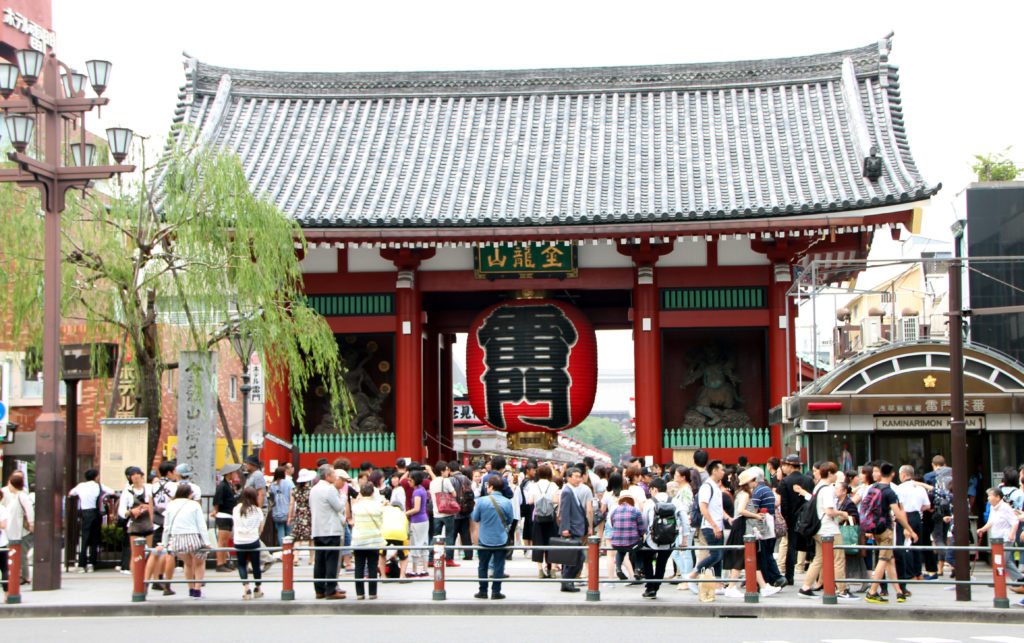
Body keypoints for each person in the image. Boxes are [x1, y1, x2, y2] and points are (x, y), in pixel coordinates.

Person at [797, 461, 856, 600]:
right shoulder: (828, 489)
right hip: (829, 529)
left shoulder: (818, 486)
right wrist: (842, 514)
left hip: (818, 528)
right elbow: (829, 511)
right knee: (839, 559)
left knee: (818, 559)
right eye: (835, 473)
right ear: (830, 473)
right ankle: (842, 590)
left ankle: (805, 587)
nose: (836, 476)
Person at [864, 461, 918, 604]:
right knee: (883, 560)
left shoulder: (873, 487)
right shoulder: (889, 491)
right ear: (893, 474)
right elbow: (898, 514)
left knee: (889, 559)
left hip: (874, 528)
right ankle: (872, 591)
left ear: (880, 473)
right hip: (886, 529)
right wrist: (910, 529)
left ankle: (899, 592)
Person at [161, 484, 212, 598]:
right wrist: (207, 542)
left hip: (176, 539)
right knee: (199, 563)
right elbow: (201, 525)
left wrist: (164, 542)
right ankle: (197, 590)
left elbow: (167, 526)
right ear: (189, 494)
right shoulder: (194, 504)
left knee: (187, 564)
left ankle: (190, 588)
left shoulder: (170, 505)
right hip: (193, 537)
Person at [471, 474, 514, 599]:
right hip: (501, 538)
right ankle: (496, 592)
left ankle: (483, 591)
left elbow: (475, 518)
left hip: (484, 538)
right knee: (499, 566)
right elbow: (510, 519)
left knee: (483, 566)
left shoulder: (481, 501)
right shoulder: (507, 502)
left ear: (490, 487)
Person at [309, 464, 347, 599]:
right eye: (333, 474)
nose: (336, 477)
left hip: (318, 529)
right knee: (331, 560)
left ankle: (319, 589)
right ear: (327, 476)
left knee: (319, 560)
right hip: (331, 529)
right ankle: (330, 590)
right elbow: (339, 507)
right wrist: (343, 496)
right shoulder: (329, 489)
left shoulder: (313, 489)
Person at [687, 460, 726, 587]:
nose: (723, 472)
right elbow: (703, 507)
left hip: (718, 525)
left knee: (719, 556)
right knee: (715, 555)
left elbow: (717, 507)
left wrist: (728, 518)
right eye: (721, 469)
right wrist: (714, 526)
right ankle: (695, 572)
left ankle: (718, 583)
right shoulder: (707, 486)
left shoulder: (715, 486)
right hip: (710, 526)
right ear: (714, 471)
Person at [977, 487, 1022, 593]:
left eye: (990, 496)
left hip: (1006, 538)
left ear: (997, 497)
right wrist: (983, 529)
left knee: (1002, 561)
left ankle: (1003, 581)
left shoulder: (1005, 507)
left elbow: (1015, 521)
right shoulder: (993, 507)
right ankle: (1020, 579)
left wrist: (1012, 534)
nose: (988, 498)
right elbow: (991, 522)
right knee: (1006, 561)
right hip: (997, 539)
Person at [639, 477, 677, 599]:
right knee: (662, 563)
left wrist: (644, 534)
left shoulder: (650, 503)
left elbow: (644, 522)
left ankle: (651, 587)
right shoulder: (674, 501)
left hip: (652, 540)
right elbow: (684, 519)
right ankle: (656, 587)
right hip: (670, 540)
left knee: (647, 559)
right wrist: (684, 538)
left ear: (654, 489)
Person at [778, 453, 812, 585]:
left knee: (791, 548)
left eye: (784, 465)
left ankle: (789, 576)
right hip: (807, 519)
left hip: (791, 519)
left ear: (790, 466)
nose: (783, 468)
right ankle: (816, 576)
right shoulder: (808, 480)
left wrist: (785, 519)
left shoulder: (785, 481)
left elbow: (784, 505)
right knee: (810, 547)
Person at [895, 464, 930, 591]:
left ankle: (910, 574)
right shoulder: (920, 488)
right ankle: (918, 572)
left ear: (903, 475)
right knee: (917, 545)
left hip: (905, 516)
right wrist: (918, 508)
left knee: (906, 546)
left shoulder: (899, 488)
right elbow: (927, 505)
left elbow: (899, 507)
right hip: (917, 516)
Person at [67, 469, 109, 574]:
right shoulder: (99, 486)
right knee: (94, 539)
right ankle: (91, 564)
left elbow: (70, 493)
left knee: (85, 539)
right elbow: (112, 492)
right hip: (96, 514)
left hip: (85, 514)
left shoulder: (81, 486)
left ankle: (82, 564)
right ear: (96, 477)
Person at [351, 482, 386, 599]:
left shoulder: (356, 506)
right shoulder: (378, 506)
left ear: (361, 492)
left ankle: (359, 593)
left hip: (359, 539)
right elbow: (381, 522)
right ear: (372, 492)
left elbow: (354, 520)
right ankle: (372, 593)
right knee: (372, 566)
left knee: (359, 566)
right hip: (374, 539)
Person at [558, 467, 590, 593]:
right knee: (577, 558)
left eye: (579, 476)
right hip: (572, 530)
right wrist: (565, 528)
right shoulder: (567, 491)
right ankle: (567, 581)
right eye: (575, 476)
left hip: (575, 528)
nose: (578, 479)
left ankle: (567, 582)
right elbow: (564, 511)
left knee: (572, 558)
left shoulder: (571, 490)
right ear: (569, 477)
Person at [118, 466, 154, 574]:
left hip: (148, 523)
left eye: (138, 475)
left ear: (142, 476)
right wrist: (131, 512)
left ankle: (147, 574)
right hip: (135, 524)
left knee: (150, 551)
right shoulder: (127, 492)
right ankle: (136, 576)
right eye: (133, 475)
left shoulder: (149, 488)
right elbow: (122, 510)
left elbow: (154, 505)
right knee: (136, 553)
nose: (136, 477)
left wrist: (148, 508)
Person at [232, 486, 266, 599]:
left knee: (242, 565)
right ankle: (258, 588)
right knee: (256, 565)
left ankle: (246, 589)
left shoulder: (236, 509)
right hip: (253, 540)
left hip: (239, 541)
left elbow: (235, 524)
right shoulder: (258, 510)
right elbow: (261, 528)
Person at [527, 463, 560, 579]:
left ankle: (540, 570)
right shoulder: (554, 485)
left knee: (538, 543)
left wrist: (539, 499)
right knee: (552, 543)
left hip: (538, 519)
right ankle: (552, 570)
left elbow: (530, 501)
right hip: (550, 519)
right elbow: (556, 500)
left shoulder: (533, 486)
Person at [607, 494, 644, 581]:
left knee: (620, 550)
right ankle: (637, 569)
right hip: (632, 543)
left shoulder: (615, 511)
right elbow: (641, 528)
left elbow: (612, 524)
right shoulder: (636, 511)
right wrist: (641, 535)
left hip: (616, 541)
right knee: (640, 550)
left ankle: (618, 568)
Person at [212, 463, 242, 571]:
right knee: (222, 541)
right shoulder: (222, 486)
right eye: (234, 472)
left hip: (229, 515)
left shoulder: (228, 485)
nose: (235, 474)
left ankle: (224, 562)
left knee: (225, 541)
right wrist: (216, 511)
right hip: (223, 515)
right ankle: (220, 563)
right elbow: (217, 501)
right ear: (229, 473)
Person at [429, 461, 459, 566]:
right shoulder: (445, 481)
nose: (448, 472)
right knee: (449, 536)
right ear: (442, 471)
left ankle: (431, 559)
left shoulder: (432, 482)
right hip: (447, 513)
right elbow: (454, 494)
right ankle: (449, 559)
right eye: (447, 470)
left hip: (436, 513)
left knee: (435, 536)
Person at [288, 468, 315, 566]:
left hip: (299, 514)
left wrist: (290, 516)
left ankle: (295, 557)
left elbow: (291, 504)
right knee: (311, 538)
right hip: (309, 514)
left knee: (298, 537)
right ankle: (311, 559)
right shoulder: (311, 490)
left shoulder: (294, 490)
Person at [406, 470, 430, 577]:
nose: (408, 482)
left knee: (415, 544)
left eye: (410, 480)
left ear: (415, 480)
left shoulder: (416, 492)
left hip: (417, 520)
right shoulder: (422, 489)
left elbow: (416, 508)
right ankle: (424, 569)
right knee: (424, 543)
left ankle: (414, 569)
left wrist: (405, 513)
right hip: (424, 519)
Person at [269, 466, 294, 546]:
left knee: (280, 530)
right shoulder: (289, 483)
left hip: (277, 512)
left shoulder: (272, 485)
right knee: (289, 531)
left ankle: (282, 548)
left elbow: (271, 499)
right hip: (287, 511)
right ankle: (289, 549)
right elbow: (292, 498)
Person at [0, 488, 10, 598]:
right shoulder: (2, 509)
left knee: (4, 569)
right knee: (4, 569)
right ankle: (6, 594)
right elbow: (4, 525)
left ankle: (7, 593)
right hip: (2, 543)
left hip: (2, 543)